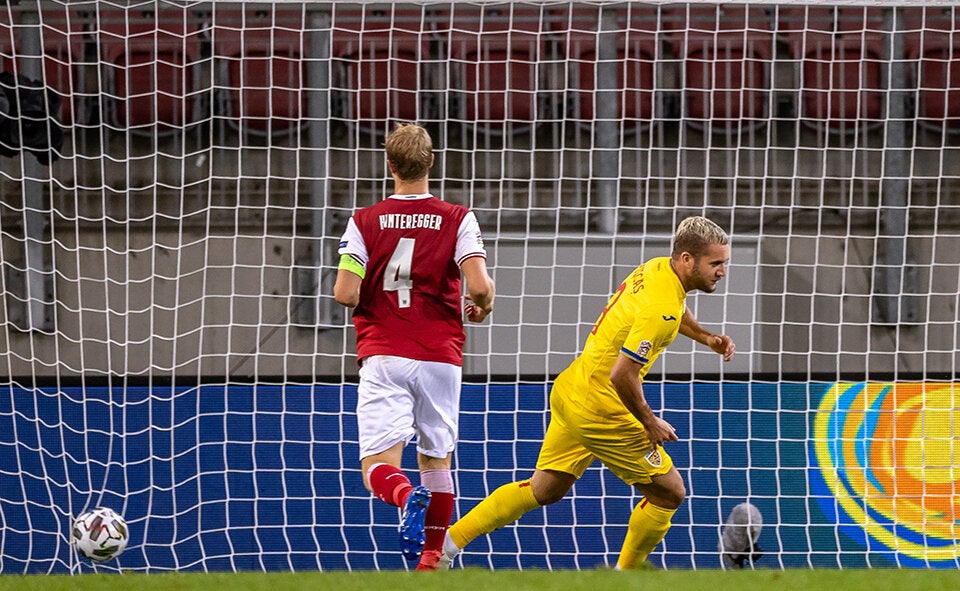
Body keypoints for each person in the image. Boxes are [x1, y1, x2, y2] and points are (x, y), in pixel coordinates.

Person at [436, 216, 735, 570]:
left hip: (572, 388)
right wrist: (649, 421)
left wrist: (707, 338)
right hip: (601, 408)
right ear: (687, 259)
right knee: (669, 492)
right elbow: (623, 373)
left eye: (724, 263)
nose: (722, 272)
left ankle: (446, 546)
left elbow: (677, 310)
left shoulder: (656, 269)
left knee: (544, 489)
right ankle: (625, 575)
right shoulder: (661, 310)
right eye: (716, 263)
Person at [333, 122, 495, 571]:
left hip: (384, 352)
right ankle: (430, 561)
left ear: (390, 166)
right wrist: (483, 304)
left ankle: (405, 498)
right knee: (436, 459)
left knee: (378, 466)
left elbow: (345, 293)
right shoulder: (458, 217)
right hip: (441, 355)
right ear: (432, 162)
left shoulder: (364, 221)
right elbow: (478, 286)